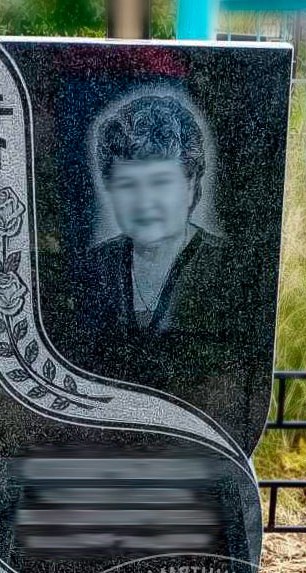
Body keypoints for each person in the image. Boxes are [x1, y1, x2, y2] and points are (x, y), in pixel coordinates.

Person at [78, 93, 236, 394]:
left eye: (160, 182)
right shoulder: (93, 266)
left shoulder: (230, 268)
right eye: (128, 184)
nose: (144, 201)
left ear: (191, 185)